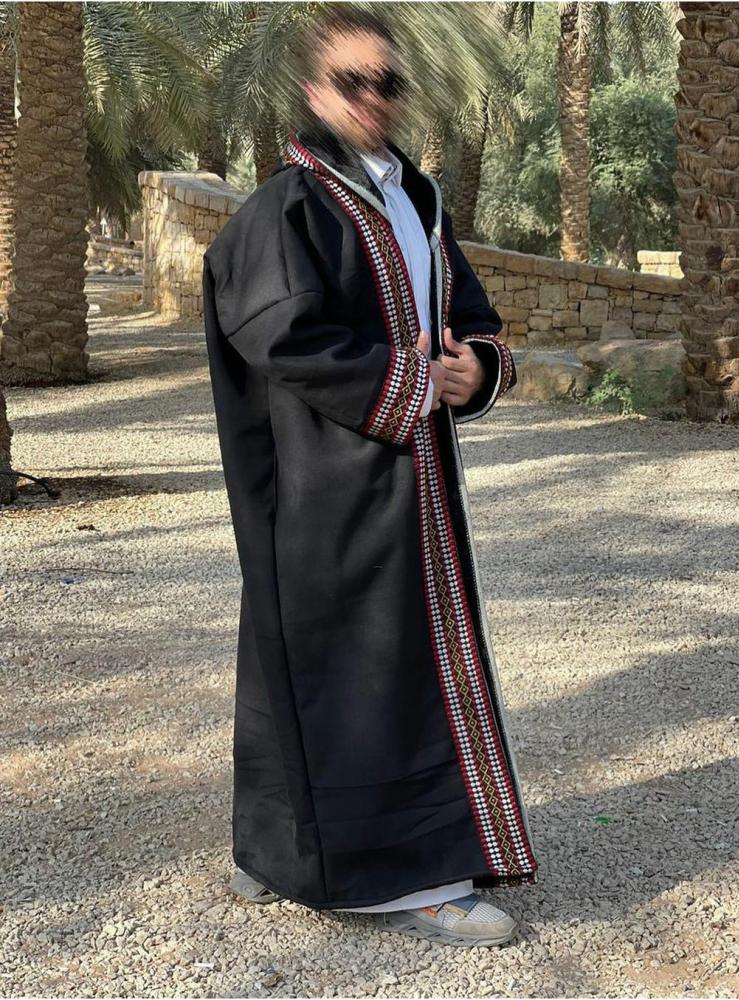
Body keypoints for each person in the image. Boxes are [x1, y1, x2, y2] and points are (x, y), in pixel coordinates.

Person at [202, 8, 539, 948]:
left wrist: (475, 367)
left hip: (410, 485)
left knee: (377, 661)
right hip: (324, 487)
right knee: (353, 664)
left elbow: (469, 314)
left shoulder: (414, 198)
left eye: (386, 81)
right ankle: (407, 878)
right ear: (314, 92)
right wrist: (407, 385)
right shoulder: (286, 211)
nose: (372, 97)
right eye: (351, 81)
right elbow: (280, 336)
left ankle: (281, 851)